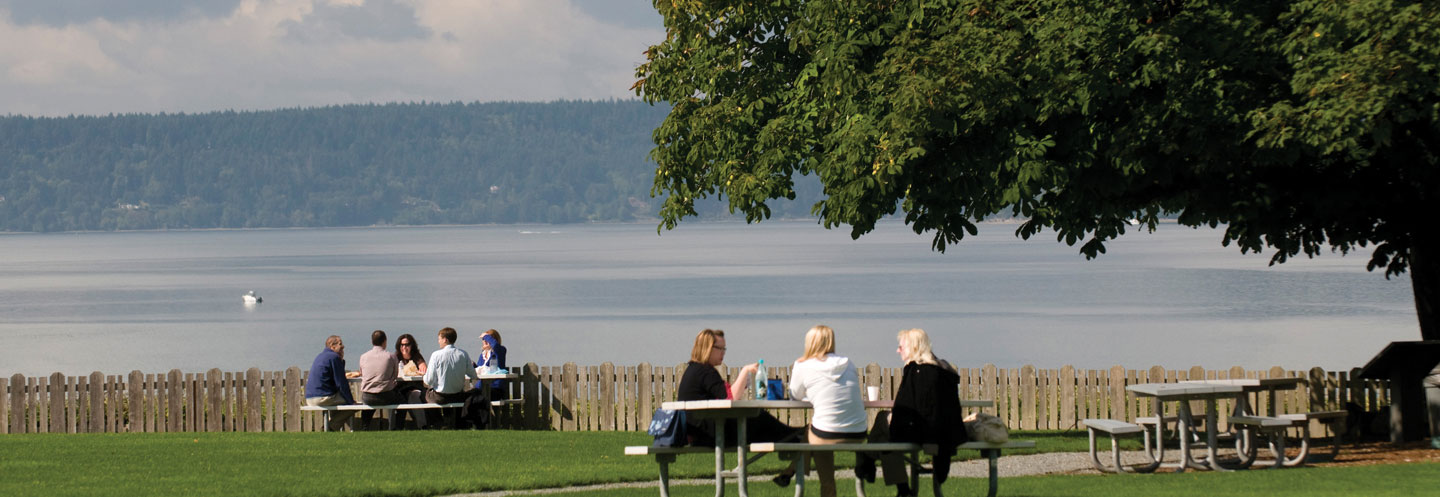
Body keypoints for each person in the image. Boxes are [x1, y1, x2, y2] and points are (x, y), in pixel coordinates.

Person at [676, 328, 801, 486]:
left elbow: (724, 397)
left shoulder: (696, 370)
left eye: (724, 349)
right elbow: (730, 399)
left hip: (700, 431)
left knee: (757, 420)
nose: (723, 353)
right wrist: (745, 371)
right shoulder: (705, 372)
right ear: (707, 348)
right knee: (758, 418)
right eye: (720, 349)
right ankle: (794, 438)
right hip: (708, 433)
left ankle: (792, 440)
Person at [856, 328, 967, 497]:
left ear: (913, 348)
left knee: (885, 427)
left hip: (923, 433)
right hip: (946, 434)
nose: (898, 350)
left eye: (901, 347)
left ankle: (870, 463)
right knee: (887, 432)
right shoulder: (944, 369)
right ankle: (872, 464)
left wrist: (891, 419)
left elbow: (904, 409)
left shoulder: (916, 370)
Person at [788, 325, 867, 497]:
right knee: (816, 431)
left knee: (811, 434)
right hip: (859, 432)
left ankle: (795, 473)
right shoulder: (848, 363)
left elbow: (794, 396)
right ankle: (789, 472)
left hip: (826, 435)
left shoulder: (803, 365)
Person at [422, 327, 480, 428]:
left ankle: (438, 422)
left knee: (424, 394)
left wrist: (423, 377)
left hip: (440, 397)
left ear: (445, 339)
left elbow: (429, 380)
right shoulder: (463, 354)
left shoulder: (436, 355)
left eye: (439, 338)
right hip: (458, 395)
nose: (438, 341)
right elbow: (473, 375)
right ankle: (453, 423)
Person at [304, 335, 362, 432]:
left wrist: (341, 361)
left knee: (341, 401)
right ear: (332, 346)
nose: (343, 347)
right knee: (355, 406)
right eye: (340, 345)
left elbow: (335, 376)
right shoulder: (333, 357)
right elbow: (341, 383)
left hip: (310, 398)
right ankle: (331, 428)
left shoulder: (321, 356)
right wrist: (351, 401)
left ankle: (331, 428)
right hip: (322, 398)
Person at [356, 330, 405, 430]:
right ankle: (398, 427)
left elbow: (362, 373)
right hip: (386, 395)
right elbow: (395, 376)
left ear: (372, 341)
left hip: (368, 396)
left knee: (367, 405)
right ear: (384, 341)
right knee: (403, 402)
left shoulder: (363, 357)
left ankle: (365, 427)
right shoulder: (391, 356)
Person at [473, 329, 509, 400]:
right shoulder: (482, 355)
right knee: (469, 397)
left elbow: (495, 346)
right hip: (481, 388)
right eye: (483, 339)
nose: (485, 341)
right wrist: (473, 366)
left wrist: (486, 336)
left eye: (488, 339)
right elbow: (481, 370)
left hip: (495, 388)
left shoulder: (500, 350)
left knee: (479, 399)